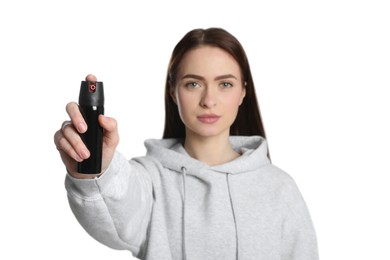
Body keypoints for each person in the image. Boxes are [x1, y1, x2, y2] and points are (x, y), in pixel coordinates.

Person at [54, 28, 319, 260]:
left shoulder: (279, 187)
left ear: (243, 92)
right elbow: (116, 205)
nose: (209, 100)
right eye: (193, 84)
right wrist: (96, 168)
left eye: (225, 84)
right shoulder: (150, 180)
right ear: (173, 92)